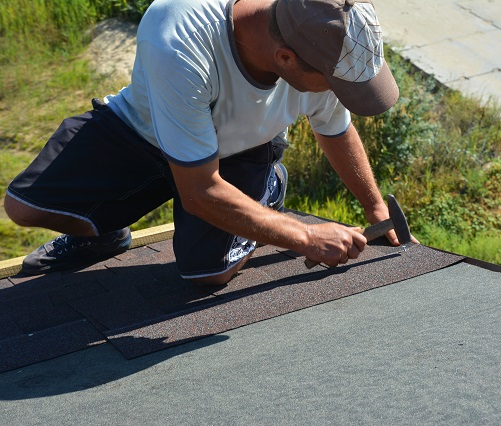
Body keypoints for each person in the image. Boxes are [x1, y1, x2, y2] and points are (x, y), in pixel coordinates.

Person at [4, 0, 405, 286]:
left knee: (207, 273)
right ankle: (106, 232)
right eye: (335, 85)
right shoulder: (180, 33)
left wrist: (374, 208)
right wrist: (305, 236)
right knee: (24, 207)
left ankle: (265, 185)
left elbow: (335, 129)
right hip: (144, 132)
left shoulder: (318, 42)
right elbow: (200, 192)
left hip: (241, 148)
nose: (338, 93)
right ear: (285, 58)